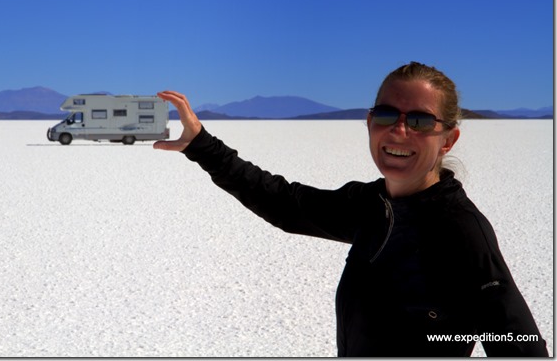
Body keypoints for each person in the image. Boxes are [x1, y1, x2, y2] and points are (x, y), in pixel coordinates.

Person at [153, 62, 548, 356]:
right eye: (388, 115)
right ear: (370, 122)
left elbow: (516, 342)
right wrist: (202, 146)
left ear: (448, 139)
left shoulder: (460, 230)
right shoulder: (371, 206)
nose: (399, 130)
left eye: (421, 120)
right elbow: (285, 203)